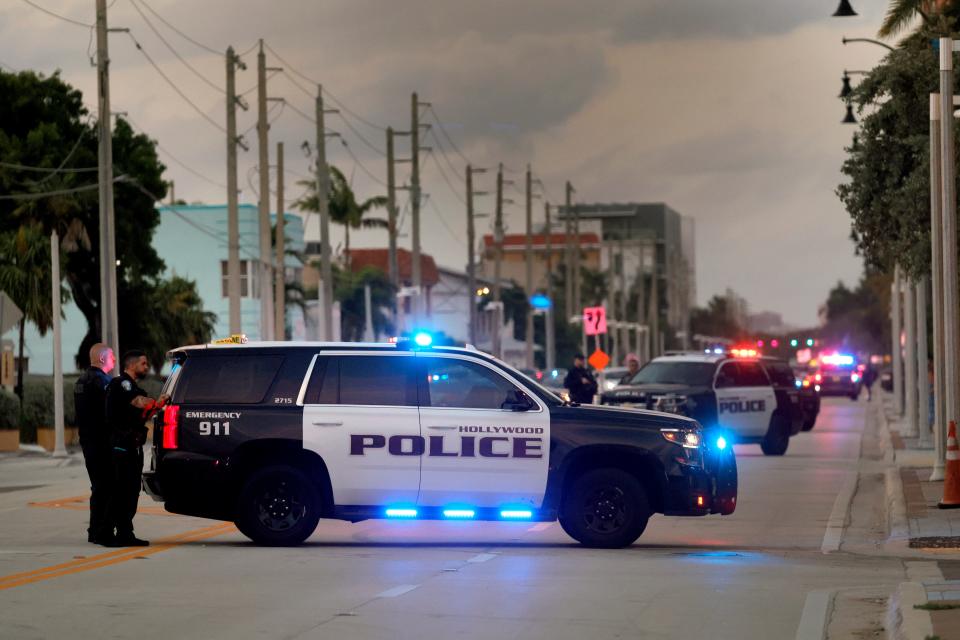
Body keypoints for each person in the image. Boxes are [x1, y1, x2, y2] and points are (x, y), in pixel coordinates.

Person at [105, 349, 167, 547]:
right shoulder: (122, 384)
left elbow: (142, 414)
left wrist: (156, 406)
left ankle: (125, 532)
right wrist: (157, 402)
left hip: (132, 446)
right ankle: (113, 533)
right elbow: (139, 403)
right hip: (121, 447)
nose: (146, 367)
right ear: (131, 365)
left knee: (131, 491)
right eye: (143, 363)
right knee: (122, 491)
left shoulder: (131, 386)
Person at [74, 343, 116, 545]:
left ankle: (94, 530)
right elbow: (110, 413)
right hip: (103, 442)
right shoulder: (103, 382)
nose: (114, 360)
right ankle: (103, 532)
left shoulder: (81, 381)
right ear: (102, 359)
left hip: (88, 441)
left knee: (98, 486)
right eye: (112, 357)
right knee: (107, 487)